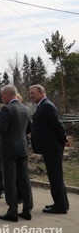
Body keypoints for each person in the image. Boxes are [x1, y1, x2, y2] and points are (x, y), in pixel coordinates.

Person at [0, 84, 33, 222]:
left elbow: (2, 130)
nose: (1, 97)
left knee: (10, 180)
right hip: (23, 148)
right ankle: (27, 209)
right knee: (24, 179)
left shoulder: (7, 109)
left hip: (9, 150)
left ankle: (12, 211)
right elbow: (28, 129)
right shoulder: (25, 108)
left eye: (2, 95)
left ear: (8, 94)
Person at [29, 84, 70, 214]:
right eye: (30, 93)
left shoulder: (46, 106)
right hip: (50, 147)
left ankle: (60, 207)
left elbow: (57, 125)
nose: (31, 95)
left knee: (55, 177)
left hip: (52, 148)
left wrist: (64, 140)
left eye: (33, 93)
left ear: (42, 92)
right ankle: (62, 203)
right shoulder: (43, 105)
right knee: (56, 176)